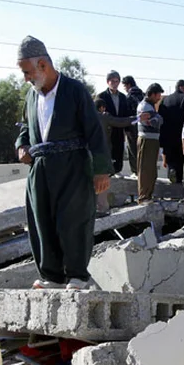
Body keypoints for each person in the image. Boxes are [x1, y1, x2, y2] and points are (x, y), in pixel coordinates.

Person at [15, 36, 112, 290]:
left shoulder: (74, 90)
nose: (26, 78)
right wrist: (21, 146)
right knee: (42, 222)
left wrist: (101, 170)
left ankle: (78, 276)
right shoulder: (31, 96)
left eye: (27, 72)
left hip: (72, 166)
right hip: (41, 169)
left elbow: (94, 130)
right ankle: (52, 277)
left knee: (73, 221)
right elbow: (26, 129)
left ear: (43, 66)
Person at [95, 98, 140, 214]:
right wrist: (138, 118)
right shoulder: (103, 116)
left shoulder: (83, 116)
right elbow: (121, 122)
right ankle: (102, 210)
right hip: (102, 156)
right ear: (102, 108)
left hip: (86, 156)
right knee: (102, 187)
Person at [158, 79, 184, 184]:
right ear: (181, 87)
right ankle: (180, 185)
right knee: (181, 163)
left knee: (171, 163)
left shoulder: (165, 100)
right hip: (180, 137)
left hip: (168, 137)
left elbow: (161, 119)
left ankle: (172, 180)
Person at [136, 83, 165, 204]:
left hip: (152, 140)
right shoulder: (144, 106)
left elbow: (158, 119)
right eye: (158, 95)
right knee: (145, 169)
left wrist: (157, 117)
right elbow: (153, 122)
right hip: (146, 140)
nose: (159, 98)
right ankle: (143, 197)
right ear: (152, 94)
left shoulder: (150, 106)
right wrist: (157, 117)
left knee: (151, 169)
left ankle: (148, 195)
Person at [98, 70, 131, 174]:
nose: (115, 84)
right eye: (112, 81)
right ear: (108, 82)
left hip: (119, 129)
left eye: (117, 81)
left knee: (118, 151)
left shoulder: (122, 97)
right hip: (106, 131)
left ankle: (117, 170)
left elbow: (125, 113)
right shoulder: (101, 96)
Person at [122, 75, 144, 175]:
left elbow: (127, 115)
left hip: (132, 129)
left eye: (124, 86)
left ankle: (136, 171)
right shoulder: (143, 96)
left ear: (128, 85)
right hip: (144, 128)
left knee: (133, 151)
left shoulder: (128, 98)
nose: (124, 89)